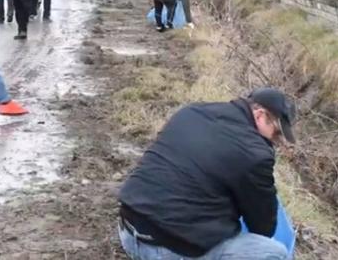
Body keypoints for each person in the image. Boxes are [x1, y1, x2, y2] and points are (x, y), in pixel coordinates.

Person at [118, 87, 297, 260]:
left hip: (128, 229)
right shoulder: (255, 153)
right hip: (162, 251)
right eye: (277, 132)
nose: (276, 140)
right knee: (275, 253)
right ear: (259, 115)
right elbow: (263, 229)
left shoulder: (192, 111)